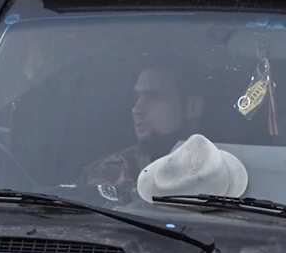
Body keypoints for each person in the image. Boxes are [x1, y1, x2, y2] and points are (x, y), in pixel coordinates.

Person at [82, 60, 204, 189]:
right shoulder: (106, 173)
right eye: (137, 98)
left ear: (193, 107)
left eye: (153, 96)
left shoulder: (222, 170)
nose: (136, 110)